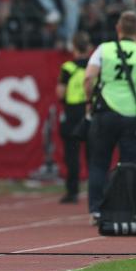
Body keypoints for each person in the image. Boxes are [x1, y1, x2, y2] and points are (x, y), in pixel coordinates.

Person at [83, 11, 136, 222]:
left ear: (118, 28)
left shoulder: (103, 49)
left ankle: (97, 211)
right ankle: (131, 210)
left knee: (99, 163)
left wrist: (89, 102)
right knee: (133, 165)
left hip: (105, 111)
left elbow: (89, 77)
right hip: (132, 115)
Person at [57, 32, 92, 203]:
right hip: (90, 111)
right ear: (89, 47)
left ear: (74, 47)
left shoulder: (68, 67)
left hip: (72, 112)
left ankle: (72, 191)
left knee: (72, 154)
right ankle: (97, 191)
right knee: (94, 155)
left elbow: (60, 92)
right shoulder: (95, 66)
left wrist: (63, 99)